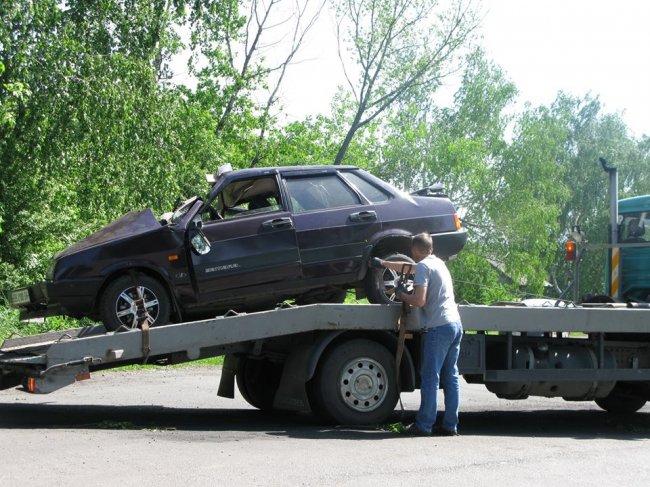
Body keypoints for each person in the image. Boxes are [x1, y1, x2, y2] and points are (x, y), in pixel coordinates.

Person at [371, 233, 463, 436]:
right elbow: (410, 269)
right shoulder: (438, 263)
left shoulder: (423, 266)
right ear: (431, 248)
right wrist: (384, 263)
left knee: (431, 376)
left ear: (413, 251)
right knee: (451, 376)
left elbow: (419, 301)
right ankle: (450, 425)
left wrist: (401, 293)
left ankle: (424, 425)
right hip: (455, 324)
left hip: (438, 327)